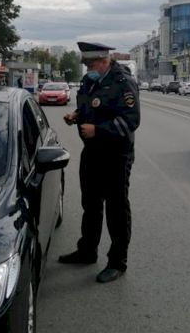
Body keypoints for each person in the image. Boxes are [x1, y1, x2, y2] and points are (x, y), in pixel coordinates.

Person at [59, 41, 140, 283]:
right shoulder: (90, 80)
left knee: (116, 209)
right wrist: (76, 115)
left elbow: (131, 120)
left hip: (116, 155)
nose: (88, 69)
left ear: (105, 61)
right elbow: (90, 107)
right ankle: (87, 250)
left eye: (91, 65)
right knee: (90, 204)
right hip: (92, 152)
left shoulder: (122, 82)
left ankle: (117, 262)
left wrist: (99, 130)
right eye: (86, 65)